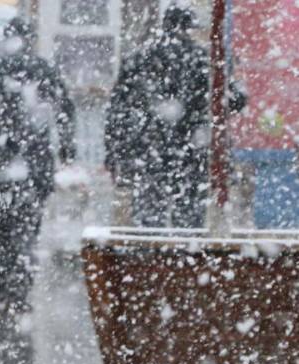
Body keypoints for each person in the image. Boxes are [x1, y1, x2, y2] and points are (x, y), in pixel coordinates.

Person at [0, 17, 75, 313]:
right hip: (35, 164)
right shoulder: (42, 69)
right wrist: (66, 146)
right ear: (29, 39)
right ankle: (20, 287)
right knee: (27, 227)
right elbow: (64, 110)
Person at [104, 5, 247, 228]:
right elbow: (236, 100)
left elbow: (116, 109)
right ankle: (185, 256)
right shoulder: (206, 61)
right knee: (189, 223)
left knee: (148, 222)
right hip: (193, 153)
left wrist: (114, 151)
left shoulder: (138, 58)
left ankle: (149, 259)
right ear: (189, 28)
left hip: (149, 152)